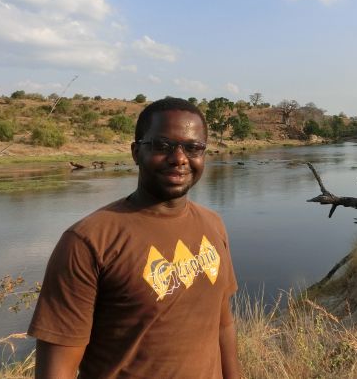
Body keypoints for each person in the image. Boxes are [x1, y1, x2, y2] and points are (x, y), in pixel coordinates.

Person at [28, 97, 240, 379]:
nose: (179, 158)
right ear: (135, 152)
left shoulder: (213, 225)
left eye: (193, 148)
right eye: (162, 146)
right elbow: (57, 370)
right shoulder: (87, 242)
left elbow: (222, 324)